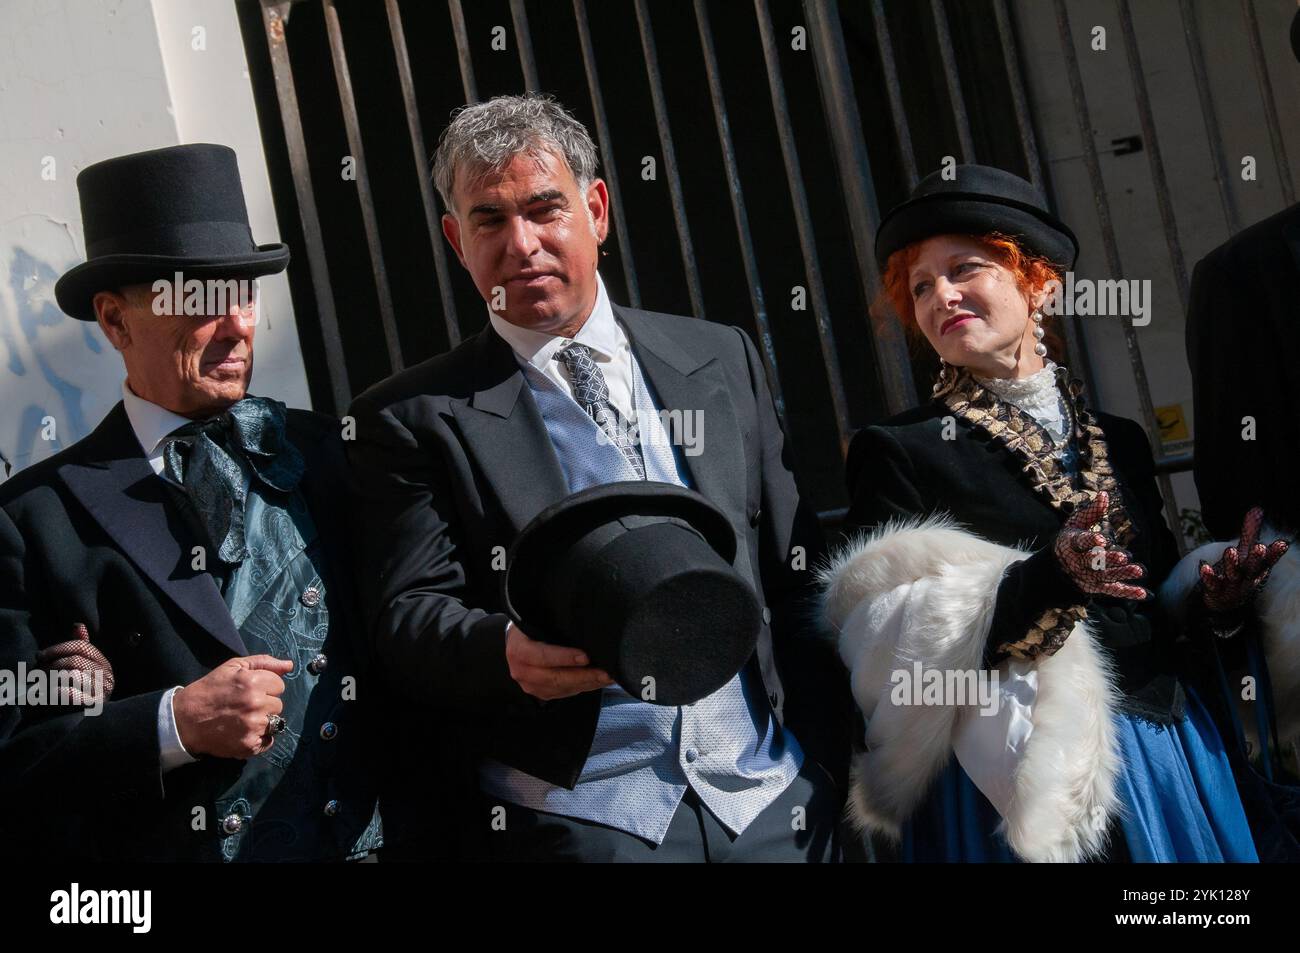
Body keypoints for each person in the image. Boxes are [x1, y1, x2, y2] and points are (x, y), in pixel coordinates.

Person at [347, 93, 852, 862]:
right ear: (456, 240)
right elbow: (409, 616)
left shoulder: (719, 357)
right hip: (583, 820)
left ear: (598, 209)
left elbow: (798, 573)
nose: (522, 244)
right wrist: (504, 655)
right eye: (489, 220)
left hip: (772, 796)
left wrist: (822, 766)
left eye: (546, 209)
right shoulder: (410, 417)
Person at [819, 164, 1263, 862]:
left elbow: (1148, 613)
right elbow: (894, 650)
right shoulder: (897, 451)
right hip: (1015, 774)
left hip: (1167, 749)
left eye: (964, 268)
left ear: (1040, 282)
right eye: (921, 286)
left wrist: (1218, 601)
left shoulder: (1121, 439)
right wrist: (1045, 580)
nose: (942, 295)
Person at [0, 143, 380, 860]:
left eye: (244, 291)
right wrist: (170, 723)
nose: (238, 325)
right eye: (200, 297)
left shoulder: (338, 455)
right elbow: (13, 762)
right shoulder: (31, 520)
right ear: (115, 322)